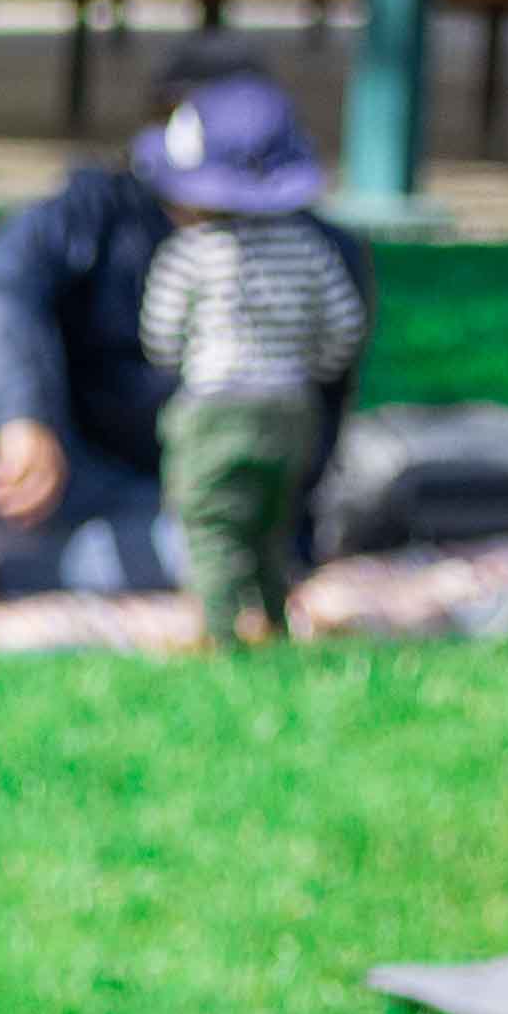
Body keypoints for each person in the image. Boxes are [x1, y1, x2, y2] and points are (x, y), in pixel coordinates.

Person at [0, 52, 330, 604]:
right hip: (50, 459)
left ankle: (2, 569)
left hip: (173, 488)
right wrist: (25, 417)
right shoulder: (96, 208)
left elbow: (319, 413)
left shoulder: (312, 256)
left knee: (217, 552)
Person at [127, 79, 371, 641]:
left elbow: (160, 337)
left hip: (214, 407)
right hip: (291, 407)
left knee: (210, 521)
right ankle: (274, 619)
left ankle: (217, 631)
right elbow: (344, 327)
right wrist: (312, 367)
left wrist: (184, 365)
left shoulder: (190, 253)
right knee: (269, 521)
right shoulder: (311, 248)